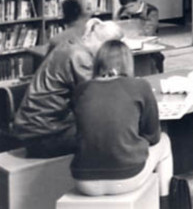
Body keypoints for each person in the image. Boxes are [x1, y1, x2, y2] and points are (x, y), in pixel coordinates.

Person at [70, 40, 173, 201]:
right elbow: (154, 136)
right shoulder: (140, 86)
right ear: (127, 63)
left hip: (83, 180)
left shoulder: (81, 89)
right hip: (127, 177)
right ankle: (167, 204)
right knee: (165, 142)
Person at [12, 19, 123, 158]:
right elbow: (96, 98)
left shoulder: (71, 45)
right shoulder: (80, 57)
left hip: (35, 128)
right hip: (45, 135)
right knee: (111, 133)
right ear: (104, 45)